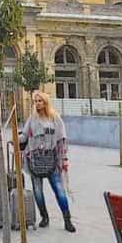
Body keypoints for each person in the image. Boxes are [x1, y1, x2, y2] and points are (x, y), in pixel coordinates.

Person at [19, 90, 75, 232]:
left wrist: (64, 159)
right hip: (35, 159)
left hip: (52, 159)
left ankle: (67, 219)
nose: (37, 104)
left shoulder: (55, 118)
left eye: (40, 101)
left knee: (59, 190)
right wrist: (14, 136)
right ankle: (44, 217)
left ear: (45, 102)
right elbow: (24, 136)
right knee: (37, 191)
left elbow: (62, 140)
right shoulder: (32, 119)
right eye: (35, 101)